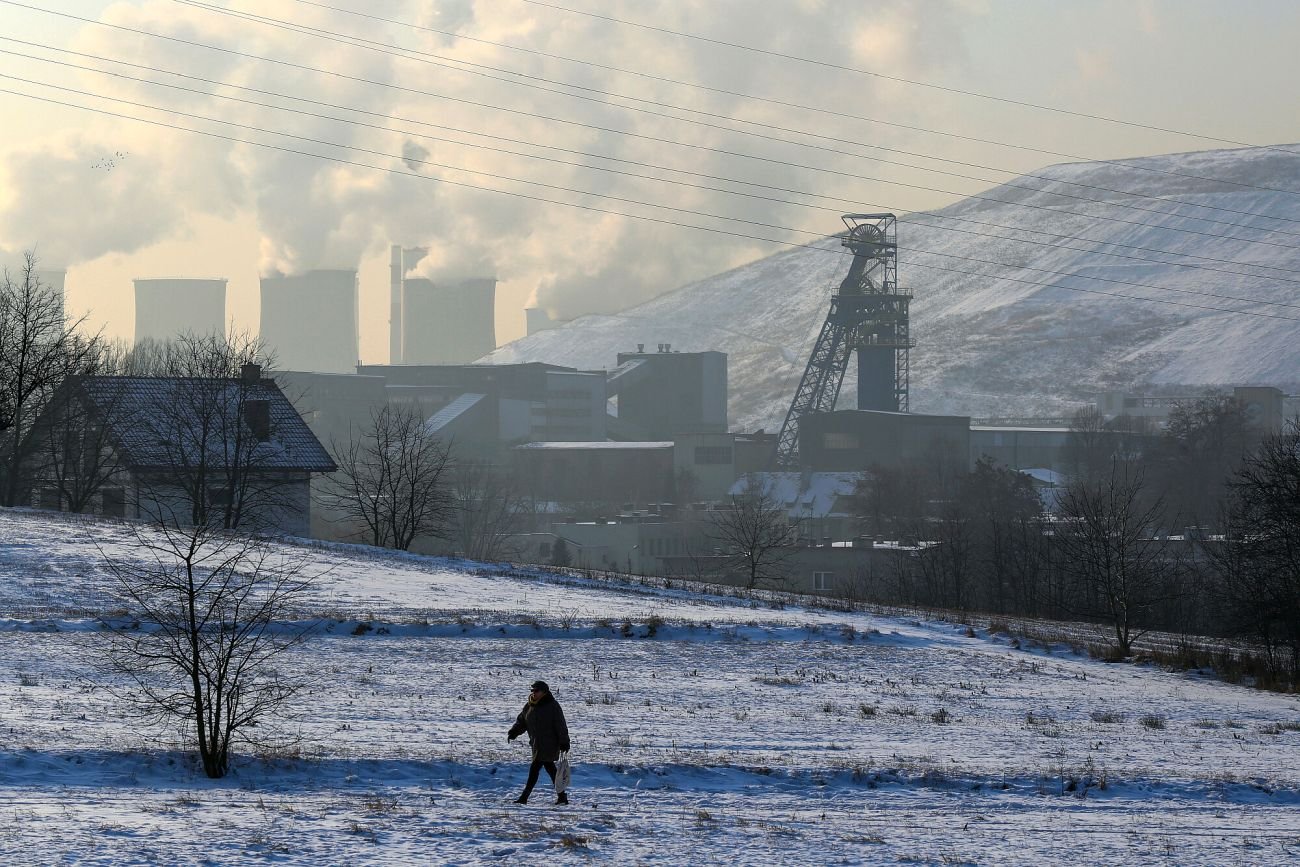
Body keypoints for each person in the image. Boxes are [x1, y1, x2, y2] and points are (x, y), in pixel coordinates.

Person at [507, 680, 571, 805]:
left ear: (544, 692)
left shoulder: (553, 706)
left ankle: (524, 797)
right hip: (536, 744)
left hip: (549, 744)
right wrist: (514, 732)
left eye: (536, 691)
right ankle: (562, 796)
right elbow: (522, 721)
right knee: (550, 769)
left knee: (534, 769)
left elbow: (561, 725)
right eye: (533, 690)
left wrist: (564, 742)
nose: (534, 693)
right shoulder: (530, 705)